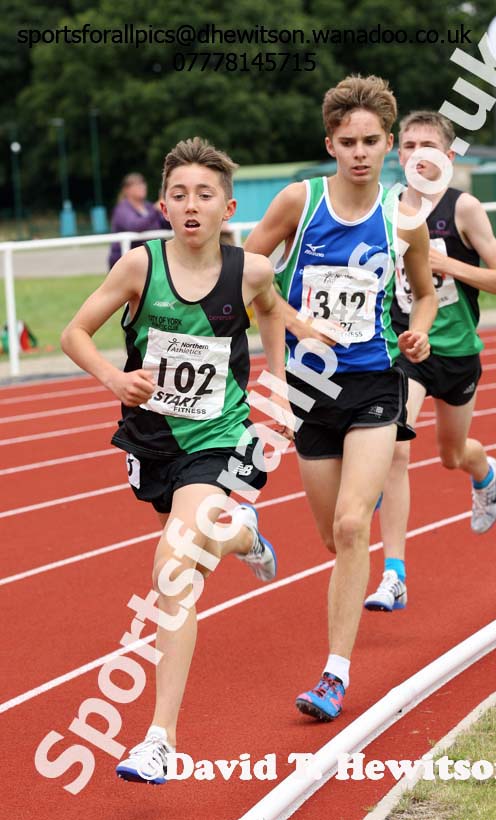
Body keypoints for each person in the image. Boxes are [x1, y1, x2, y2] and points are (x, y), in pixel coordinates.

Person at [61, 137, 293, 781]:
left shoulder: (249, 270)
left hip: (217, 440)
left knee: (173, 570)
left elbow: (272, 316)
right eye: (181, 194)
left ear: (228, 207)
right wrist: (116, 378)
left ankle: (159, 738)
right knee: (202, 542)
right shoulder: (139, 267)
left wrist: (278, 390)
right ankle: (245, 534)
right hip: (153, 440)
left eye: (206, 195)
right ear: (163, 206)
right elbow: (74, 333)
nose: (192, 205)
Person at [245, 76, 437, 721]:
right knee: (334, 539)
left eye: (371, 142)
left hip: (376, 383)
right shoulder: (299, 202)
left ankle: (333, 675)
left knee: (356, 525)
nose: (359, 152)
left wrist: (420, 331)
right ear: (330, 143)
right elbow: (245, 273)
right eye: (347, 141)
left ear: (390, 146)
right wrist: (287, 340)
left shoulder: (404, 218)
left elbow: (426, 290)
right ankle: (316, 512)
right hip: (310, 388)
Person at [364, 110, 496, 614]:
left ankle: (484, 470)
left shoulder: (463, 208)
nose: (416, 155)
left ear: (447, 157)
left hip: (458, 353)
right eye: (407, 146)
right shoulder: (383, 209)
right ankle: (394, 574)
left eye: (427, 146)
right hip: (405, 348)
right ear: (397, 153)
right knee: (397, 446)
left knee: (452, 454)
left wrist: (446, 262)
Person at [107, 172, 170, 270]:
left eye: (143, 183)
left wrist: (168, 209)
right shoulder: (122, 209)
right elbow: (135, 226)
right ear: (126, 190)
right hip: (126, 263)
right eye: (137, 184)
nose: (142, 187)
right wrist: (155, 210)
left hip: (148, 261)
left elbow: (165, 225)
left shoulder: (148, 207)